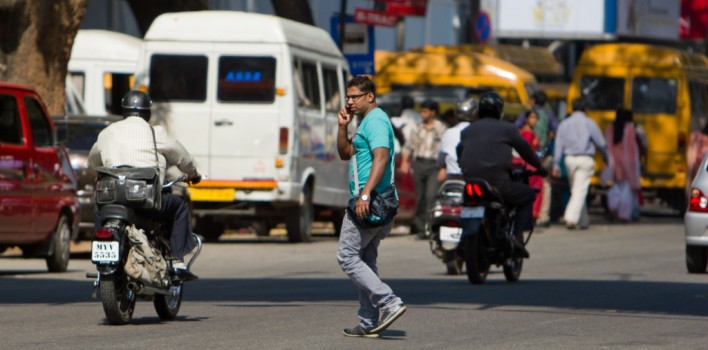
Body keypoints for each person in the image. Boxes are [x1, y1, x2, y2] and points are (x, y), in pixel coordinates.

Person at [88, 90, 202, 281]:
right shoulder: (155, 133)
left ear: (123, 111)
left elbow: (92, 162)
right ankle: (176, 261)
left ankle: (102, 263)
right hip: (145, 201)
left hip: (111, 199)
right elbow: (182, 156)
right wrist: (193, 173)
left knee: (99, 210)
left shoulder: (106, 132)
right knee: (180, 205)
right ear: (147, 113)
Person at [336, 75, 406, 338]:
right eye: (348, 97)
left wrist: (365, 194)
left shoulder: (375, 120)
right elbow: (346, 154)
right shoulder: (364, 122)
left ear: (370, 97)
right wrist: (342, 127)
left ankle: (389, 302)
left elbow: (382, 156)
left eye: (355, 97)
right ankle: (368, 322)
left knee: (346, 256)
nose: (350, 102)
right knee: (365, 259)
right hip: (371, 200)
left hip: (370, 202)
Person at [457, 92, 546, 257]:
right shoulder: (508, 129)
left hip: (471, 183)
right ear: (499, 110)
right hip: (499, 185)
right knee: (527, 194)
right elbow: (526, 151)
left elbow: (459, 152)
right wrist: (540, 167)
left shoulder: (467, 131)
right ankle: (518, 238)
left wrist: (464, 168)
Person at [552, 97, 608, 230]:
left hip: (569, 159)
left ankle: (583, 220)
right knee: (580, 189)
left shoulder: (564, 123)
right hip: (585, 159)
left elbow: (559, 144)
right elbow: (601, 143)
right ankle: (570, 218)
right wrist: (607, 158)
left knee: (577, 189)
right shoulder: (590, 123)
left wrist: (555, 163)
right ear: (585, 108)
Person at [400, 99, 447, 237]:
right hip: (419, 163)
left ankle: (431, 226)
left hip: (434, 165)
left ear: (433, 112)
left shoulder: (441, 128)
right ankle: (421, 228)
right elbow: (408, 146)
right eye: (422, 111)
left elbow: (445, 149)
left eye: (426, 111)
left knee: (431, 195)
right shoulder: (418, 127)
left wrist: (443, 168)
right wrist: (404, 162)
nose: (423, 114)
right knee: (419, 197)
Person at [515, 90, 559, 227]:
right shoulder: (548, 114)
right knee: (544, 186)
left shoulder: (526, 116)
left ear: (533, 100)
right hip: (540, 156)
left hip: (528, 158)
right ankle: (542, 215)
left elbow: (514, 128)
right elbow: (556, 128)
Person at [603, 109, 642, 221]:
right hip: (629, 164)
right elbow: (636, 147)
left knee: (617, 187)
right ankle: (624, 214)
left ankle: (614, 207)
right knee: (627, 190)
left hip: (615, 163)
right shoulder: (630, 129)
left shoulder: (610, 129)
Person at [437, 97, 478, 181]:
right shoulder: (479, 132)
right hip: (471, 177)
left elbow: (441, 157)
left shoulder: (448, 132)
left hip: (452, 176)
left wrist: (443, 166)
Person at [514, 110, 544, 221]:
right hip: (529, 166)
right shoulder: (527, 133)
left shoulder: (528, 132)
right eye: (532, 117)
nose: (534, 120)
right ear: (526, 119)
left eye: (535, 118)